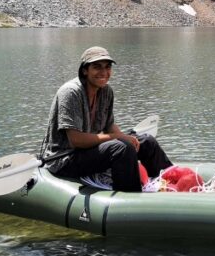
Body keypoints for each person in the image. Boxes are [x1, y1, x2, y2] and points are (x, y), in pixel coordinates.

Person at [42, 46, 173, 192]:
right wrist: (118, 138)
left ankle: (172, 184)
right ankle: (132, 197)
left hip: (89, 151)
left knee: (147, 142)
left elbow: (109, 124)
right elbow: (76, 140)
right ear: (85, 70)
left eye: (107, 67)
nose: (104, 72)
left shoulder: (106, 91)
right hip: (65, 158)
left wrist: (126, 138)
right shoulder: (71, 93)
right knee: (121, 149)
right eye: (97, 67)